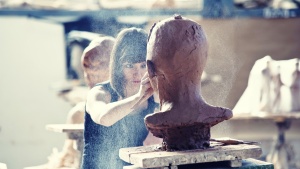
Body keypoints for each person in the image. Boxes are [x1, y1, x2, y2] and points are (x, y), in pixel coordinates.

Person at [25, 36, 115, 169]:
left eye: (96, 70)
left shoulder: (138, 106)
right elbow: (67, 159)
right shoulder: (79, 113)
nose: (89, 77)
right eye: (86, 70)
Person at [81, 27, 157, 169]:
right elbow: (104, 117)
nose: (137, 73)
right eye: (129, 66)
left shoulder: (153, 102)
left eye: (142, 66)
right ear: (117, 66)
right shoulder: (99, 92)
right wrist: (138, 97)